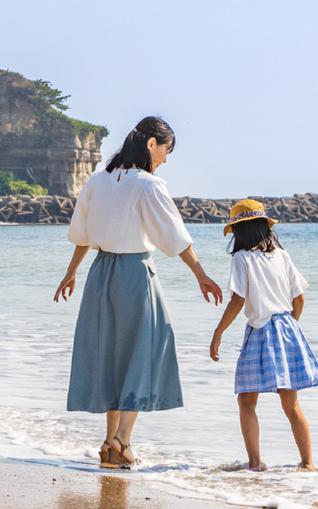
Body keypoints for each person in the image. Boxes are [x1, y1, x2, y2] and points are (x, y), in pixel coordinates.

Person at [54, 116, 224, 469]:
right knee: (145, 351)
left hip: (100, 274)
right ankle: (122, 441)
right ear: (151, 144)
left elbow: (82, 233)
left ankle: (108, 443)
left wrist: (71, 273)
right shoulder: (149, 184)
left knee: (113, 357)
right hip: (133, 272)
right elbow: (173, 236)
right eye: (165, 150)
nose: (165, 159)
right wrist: (201, 274)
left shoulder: (98, 180)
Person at [209, 199, 318, 471]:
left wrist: (218, 332)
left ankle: (255, 463)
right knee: (291, 403)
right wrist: (289, 327)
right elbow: (300, 299)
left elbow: (237, 300)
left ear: (238, 231)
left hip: (260, 331)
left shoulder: (242, 258)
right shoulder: (282, 255)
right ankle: (307, 464)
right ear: (264, 228)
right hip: (287, 329)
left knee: (246, 400)